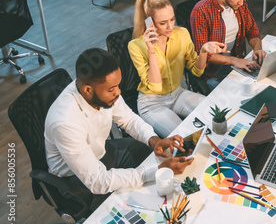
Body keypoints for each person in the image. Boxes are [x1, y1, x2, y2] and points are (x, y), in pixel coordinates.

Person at [45, 48, 193, 205]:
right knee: (129, 196)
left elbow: (128, 119)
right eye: (111, 89)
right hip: (73, 178)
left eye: (117, 85)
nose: (118, 92)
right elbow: (97, 182)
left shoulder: (102, 93)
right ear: (87, 90)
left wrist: (154, 140)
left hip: (100, 152)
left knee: (146, 154)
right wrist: (153, 173)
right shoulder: (65, 122)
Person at [128, 0, 228, 138]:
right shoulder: (136, 46)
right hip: (152, 103)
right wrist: (151, 50)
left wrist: (203, 51)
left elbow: (197, 71)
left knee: (216, 113)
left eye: (172, 19)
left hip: (177, 93)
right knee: (184, 137)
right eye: (163, 23)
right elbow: (156, 86)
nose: (170, 27)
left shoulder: (181, 33)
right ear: (149, 22)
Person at [190, 0, 266, 89]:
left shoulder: (240, 4)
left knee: (262, 85)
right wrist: (234, 61)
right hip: (213, 73)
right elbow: (202, 53)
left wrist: (257, 48)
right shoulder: (201, 11)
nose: (241, 3)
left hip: (236, 63)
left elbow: (252, 30)